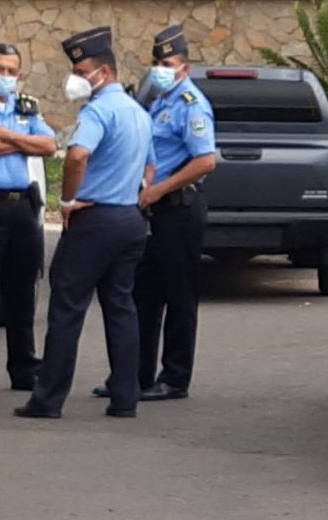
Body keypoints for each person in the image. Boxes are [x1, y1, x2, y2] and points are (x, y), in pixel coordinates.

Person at [14, 27, 155, 419]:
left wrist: (68, 200)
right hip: (129, 218)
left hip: (95, 219)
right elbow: (151, 164)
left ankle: (47, 399)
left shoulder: (99, 110)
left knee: (67, 306)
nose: (76, 77)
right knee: (121, 306)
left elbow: (76, 157)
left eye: (82, 69)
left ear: (104, 73)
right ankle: (125, 397)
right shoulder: (137, 112)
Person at [92, 25, 215, 402]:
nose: (160, 68)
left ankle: (174, 378)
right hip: (152, 213)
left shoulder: (191, 105)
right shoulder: (159, 101)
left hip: (177, 210)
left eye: (168, 63)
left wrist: (158, 189)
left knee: (178, 296)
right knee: (143, 295)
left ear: (184, 68)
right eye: (156, 62)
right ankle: (135, 375)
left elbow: (206, 160)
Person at [0, 44, 57, 391]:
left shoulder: (24, 107)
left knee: (22, 292)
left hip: (23, 206)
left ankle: (24, 369)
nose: (5, 76)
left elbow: (50, 145)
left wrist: (6, 135)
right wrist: (26, 141)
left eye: (12, 71)